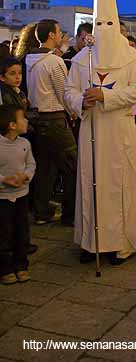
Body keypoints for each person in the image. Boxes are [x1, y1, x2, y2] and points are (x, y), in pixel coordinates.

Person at [65, 0, 136, 265]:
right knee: (90, 186)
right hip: (92, 129)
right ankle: (91, 241)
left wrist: (106, 97)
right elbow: (67, 92)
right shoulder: (83, 60)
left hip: (119, 131)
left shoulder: (131, 59)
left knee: (120, 185)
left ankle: (121, 243)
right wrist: (82, 98)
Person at [26, 19, 77, 226]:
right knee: (72, 164)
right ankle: (70, 214)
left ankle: (42, 212)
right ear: (51, 36)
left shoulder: (30, 59)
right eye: (58, 31)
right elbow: (64, 93)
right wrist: (74, 112)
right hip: (54, 118)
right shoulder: (53, 62)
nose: (61, 35)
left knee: (45, 167)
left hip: (39, 118)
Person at [0, 105, 35, 285]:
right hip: (3, 198)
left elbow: (31, 164)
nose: (27, 120)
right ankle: (5, 268)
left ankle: (21, 265)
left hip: (22, 195)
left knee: (22, 231)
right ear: (12, 125)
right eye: (23, 118)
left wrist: (26, 176)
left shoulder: (25, 144)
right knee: (4, 233)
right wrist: (4, 180)